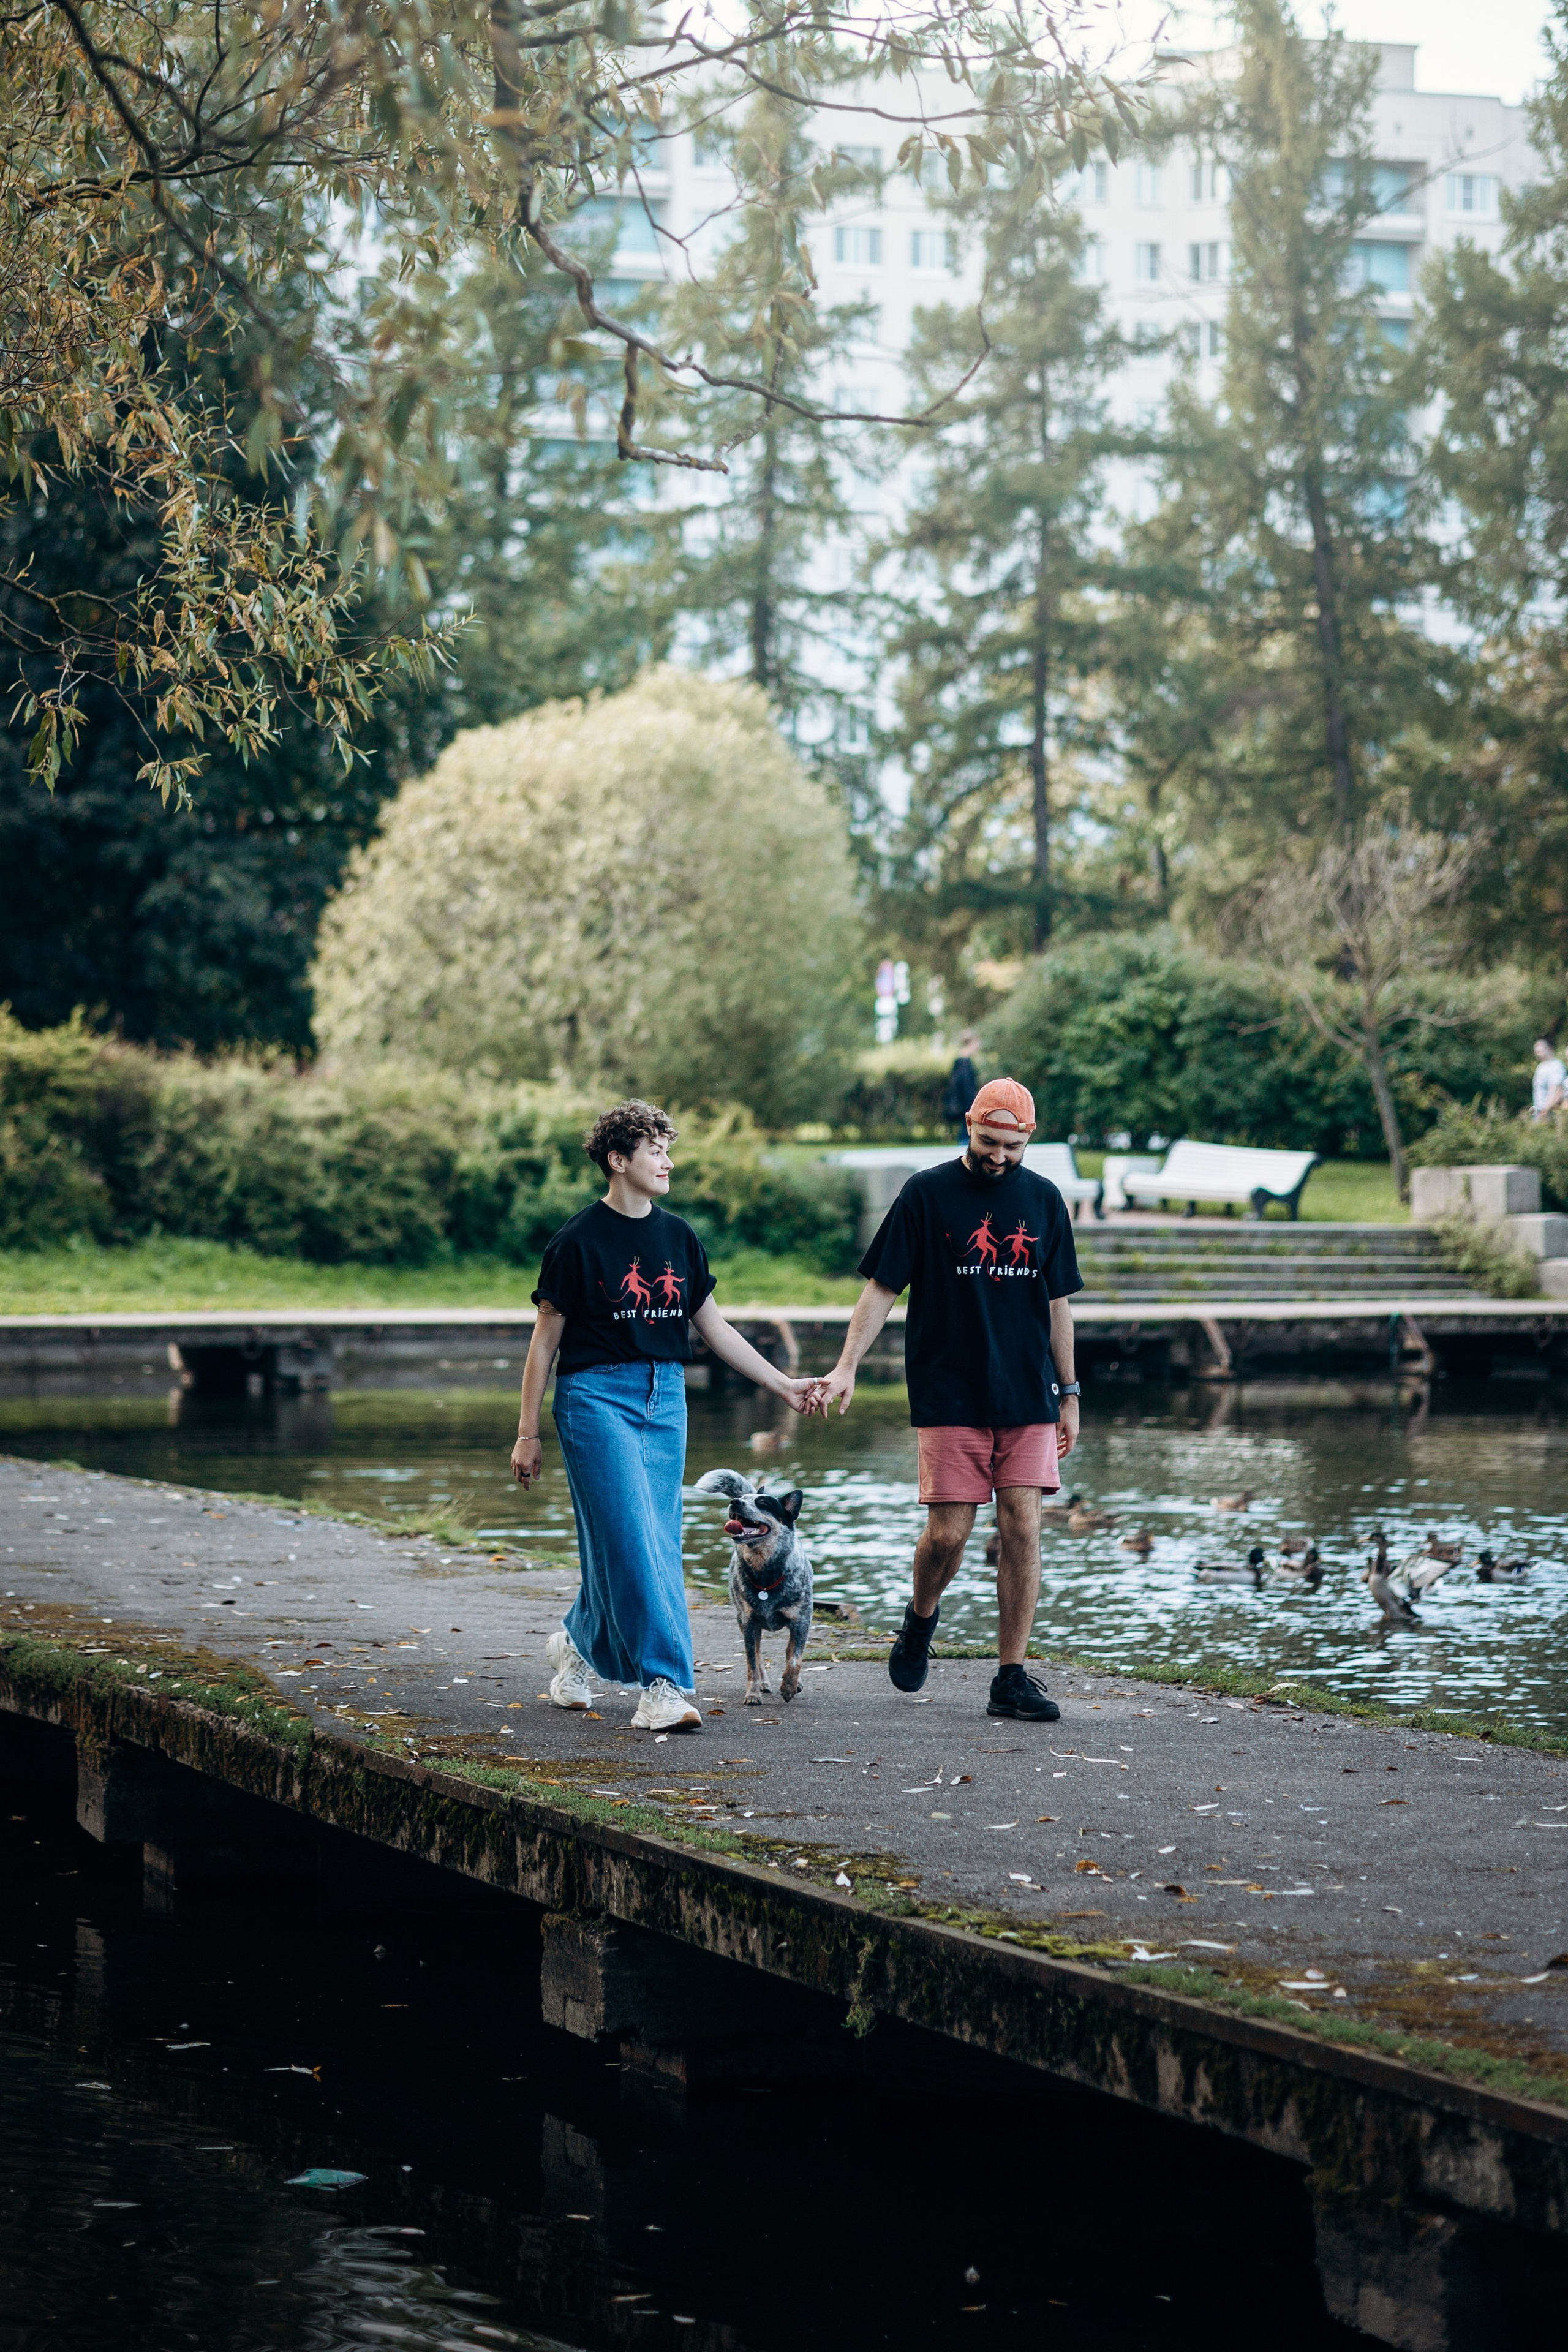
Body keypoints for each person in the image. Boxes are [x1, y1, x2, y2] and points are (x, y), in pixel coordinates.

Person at [510, 1100, 817, 1733]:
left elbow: (714, 1327)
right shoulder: (576, 1242)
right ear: (619, 1160)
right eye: (655, 1150)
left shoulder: (678, 1236)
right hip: (595, 1400)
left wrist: (783, 1384)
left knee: (647, 1541)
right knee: (631, 1539)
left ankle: (574, 1643)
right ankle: (662, 1684)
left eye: (667, 1148)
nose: (668, 1161)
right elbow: (544, 1343)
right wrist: (527, 1431)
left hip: (664, 1398)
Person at [813, 1077, 1082, 1723]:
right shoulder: (926, 1194)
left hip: (1027, 1394)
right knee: (948, 1535)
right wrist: (847, 1365)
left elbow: (1058, 1305)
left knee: (1022, 1528)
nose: (998, 1156)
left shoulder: (1044, 1202)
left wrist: (1069, 1391)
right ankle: (919, 1620)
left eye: (1011, 1146)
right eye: (988, 1141)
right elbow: (881, 1289)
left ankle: (1010, 1677)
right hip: (948, 1390)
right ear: (968, 1125)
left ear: (1029, 1138)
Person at [941, 1030, 981, 1142]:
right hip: (966, 1105)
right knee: (966, 1132)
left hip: (964, 1104)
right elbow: (964, 1087)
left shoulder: (961, 1061)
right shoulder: (964, 1062)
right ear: (972, 1043)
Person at [1532, 1035, 1566, 1121]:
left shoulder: (1556, 1066)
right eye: (1536, 1048)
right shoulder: (1540, 1067)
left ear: (1550, 1048)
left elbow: (1555, 1090)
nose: (1537, 1051)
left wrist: (1546, 1111)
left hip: (1548, 1113)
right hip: (1539, 1112)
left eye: (1541, 1047)